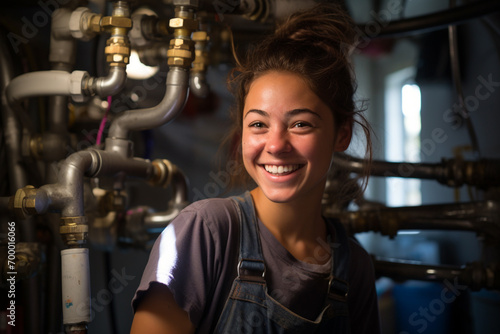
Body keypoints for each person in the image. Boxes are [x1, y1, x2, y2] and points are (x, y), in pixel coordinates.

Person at [130, 3, 380, 333]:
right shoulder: (205, 232)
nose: (275, 145)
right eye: (259, 124)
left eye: (301, 124)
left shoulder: (355, 268)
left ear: (342, 133)